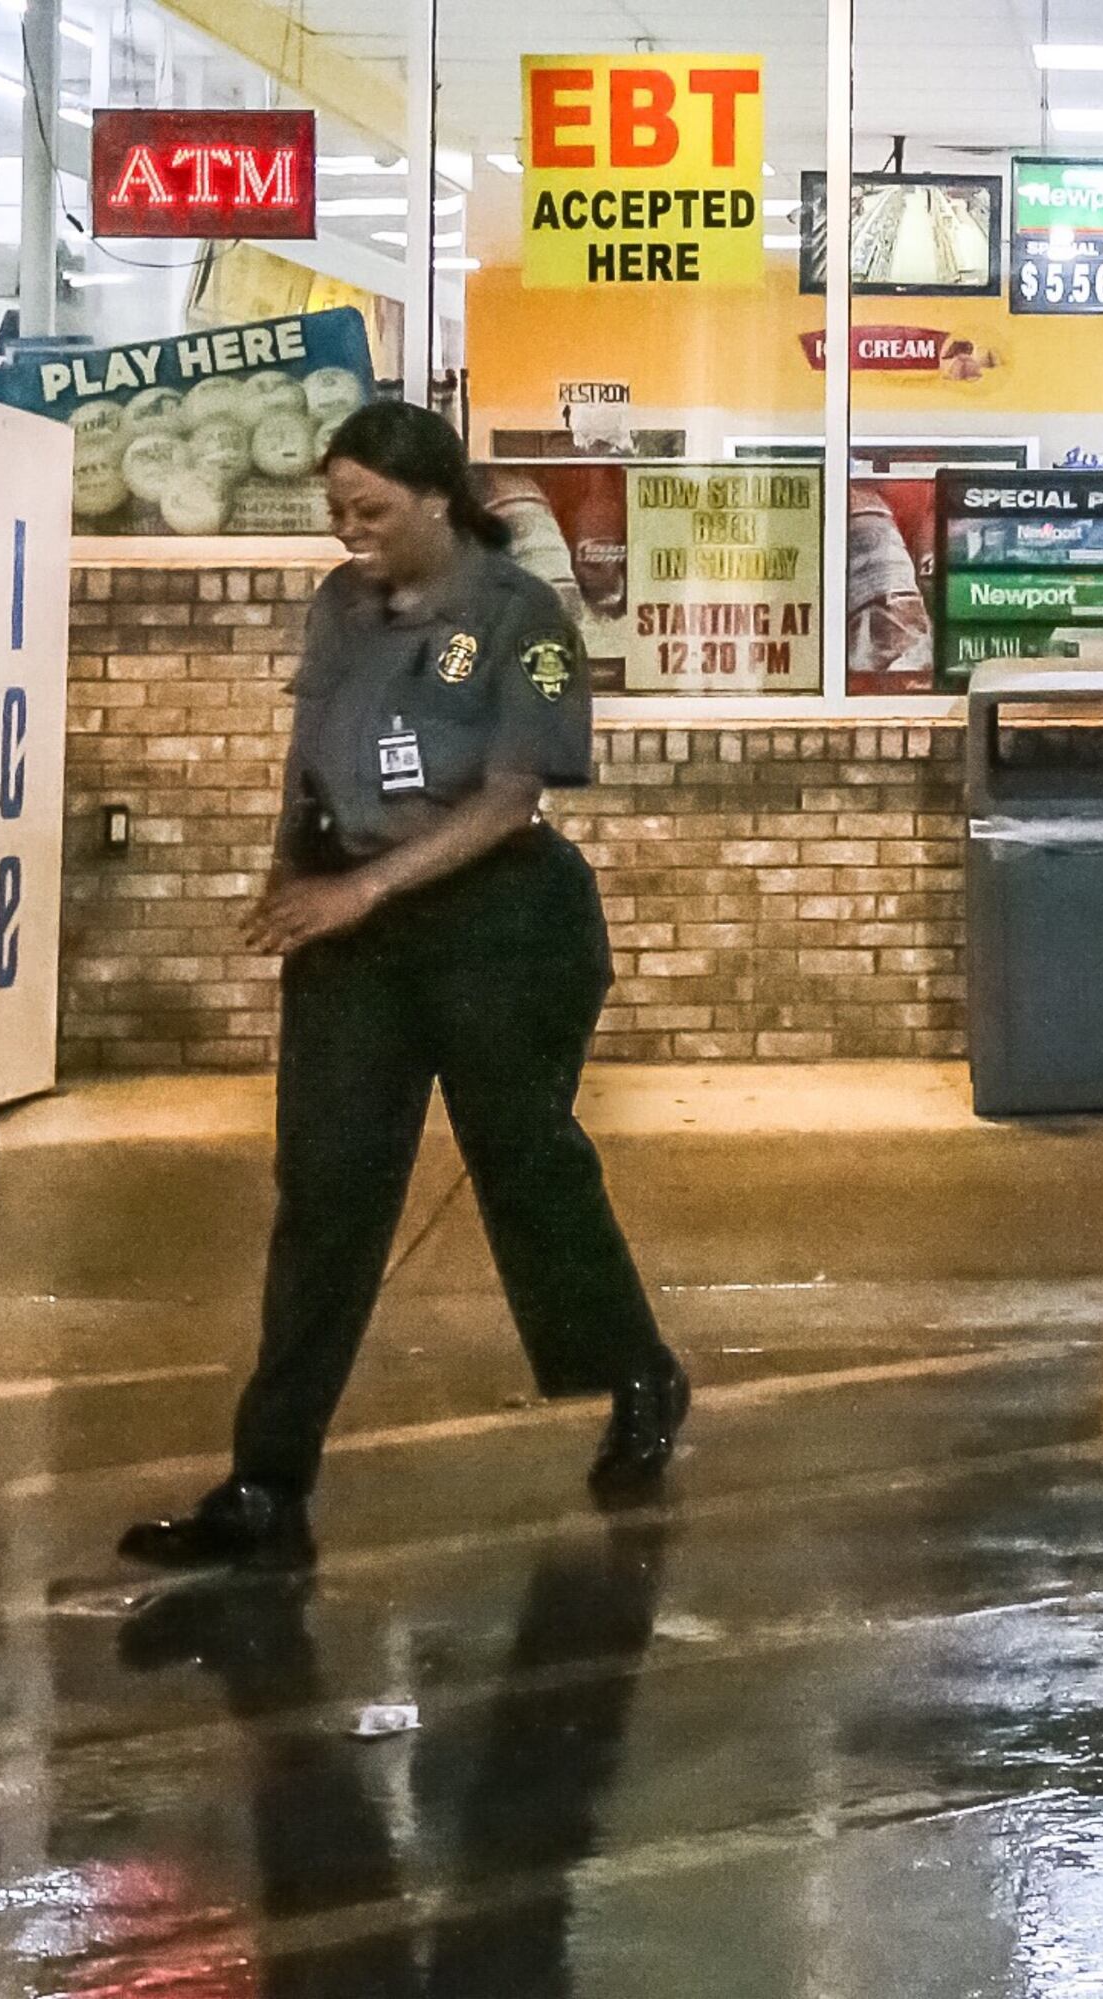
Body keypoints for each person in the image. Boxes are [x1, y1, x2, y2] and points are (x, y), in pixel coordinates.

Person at [120, 401, 688, 1573]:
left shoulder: (522, 617)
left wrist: (360, 894)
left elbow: (508, 800)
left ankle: (638, 1372)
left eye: (370, 509)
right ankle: (266, 1485)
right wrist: (291, 874)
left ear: (439, 498)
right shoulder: (339, 607)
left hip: (498, 921)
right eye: (336, 511)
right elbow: (312, 751)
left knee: (525, 1165)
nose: (348, 532)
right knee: (324, 1195)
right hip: (353, 930)